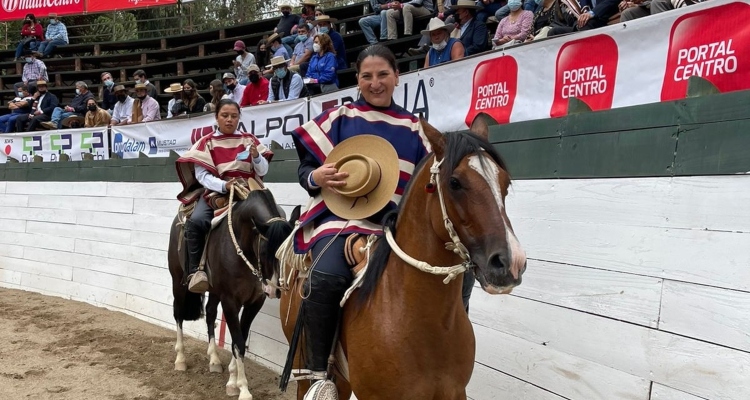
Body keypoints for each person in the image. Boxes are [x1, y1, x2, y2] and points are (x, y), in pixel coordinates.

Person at [290, 44, 431, 393]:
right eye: (367, 76)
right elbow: (306, 169)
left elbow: (426, 188)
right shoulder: (340, 118)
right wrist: (316, 178)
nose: (375, 82)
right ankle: (320, 375)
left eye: (383, 74)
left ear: (397, 77)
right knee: (324, 277)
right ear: (358, 80)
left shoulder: (416, 129)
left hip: (394, 227)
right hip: (339, 220)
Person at [175, 99, 273, 293]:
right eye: (225, 116)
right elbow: (202, 176)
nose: (229, 120)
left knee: (277, 218)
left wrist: (256, 156)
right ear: (216, 117)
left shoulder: (249, 140)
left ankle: (273, 271)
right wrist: (224, 185)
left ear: (239, 118)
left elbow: (262, 170)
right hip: (217, 191)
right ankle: (196, 272)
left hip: (250, 190)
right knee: (196, 221)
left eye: (234, 116)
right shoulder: (206, 142)